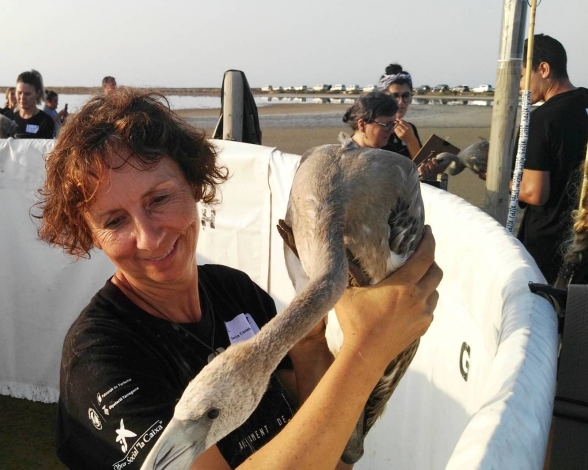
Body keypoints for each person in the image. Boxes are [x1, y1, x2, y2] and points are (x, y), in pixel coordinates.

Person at [37, 89, 440, 468]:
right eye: (114, 220)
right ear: (88, 233)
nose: (149, 236)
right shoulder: (100, 359)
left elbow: (332, 453)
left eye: (159, 199)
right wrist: (367, 350)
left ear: (194, 186)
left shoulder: (233, 290)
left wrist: (313, 337)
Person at [515, 34, 588, 283]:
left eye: (522, 76)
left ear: (543, 69)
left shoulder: (540, 121)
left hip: (550, 243)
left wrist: (506, 181)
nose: (519, 85)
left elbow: (535, 193)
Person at [343, 92, 445, 181]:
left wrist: (419, 176)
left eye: (393, 124)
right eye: (386, 125)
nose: (392, 131)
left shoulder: (392, 155)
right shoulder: (341, 160)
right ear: (362, 125)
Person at [377, 64, 421, 158]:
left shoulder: (409, 128)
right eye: (394, 96)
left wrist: (411, 140)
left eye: (405, 96)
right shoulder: (374, 128)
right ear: (383, 98)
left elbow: (421, 166)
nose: (400, 102)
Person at [13, 70, 55, 139]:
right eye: (19, 93)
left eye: (27, 94)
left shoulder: (45, 122)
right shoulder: (8, 117)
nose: (22, 97)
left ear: (37, 93)